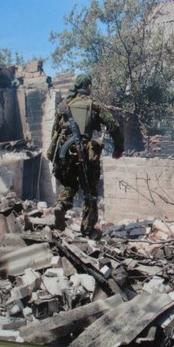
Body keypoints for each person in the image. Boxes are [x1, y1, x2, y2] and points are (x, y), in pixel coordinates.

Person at [46, 74, 124, 237]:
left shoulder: (63, 106)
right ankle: (87, 229)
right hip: (85, 153)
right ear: (88, 86)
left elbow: (55, 132)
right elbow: (113, 125)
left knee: (68, 184)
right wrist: (118, 148)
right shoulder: (93, 105)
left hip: (65, 153)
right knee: (90, 191)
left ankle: (61, 205)